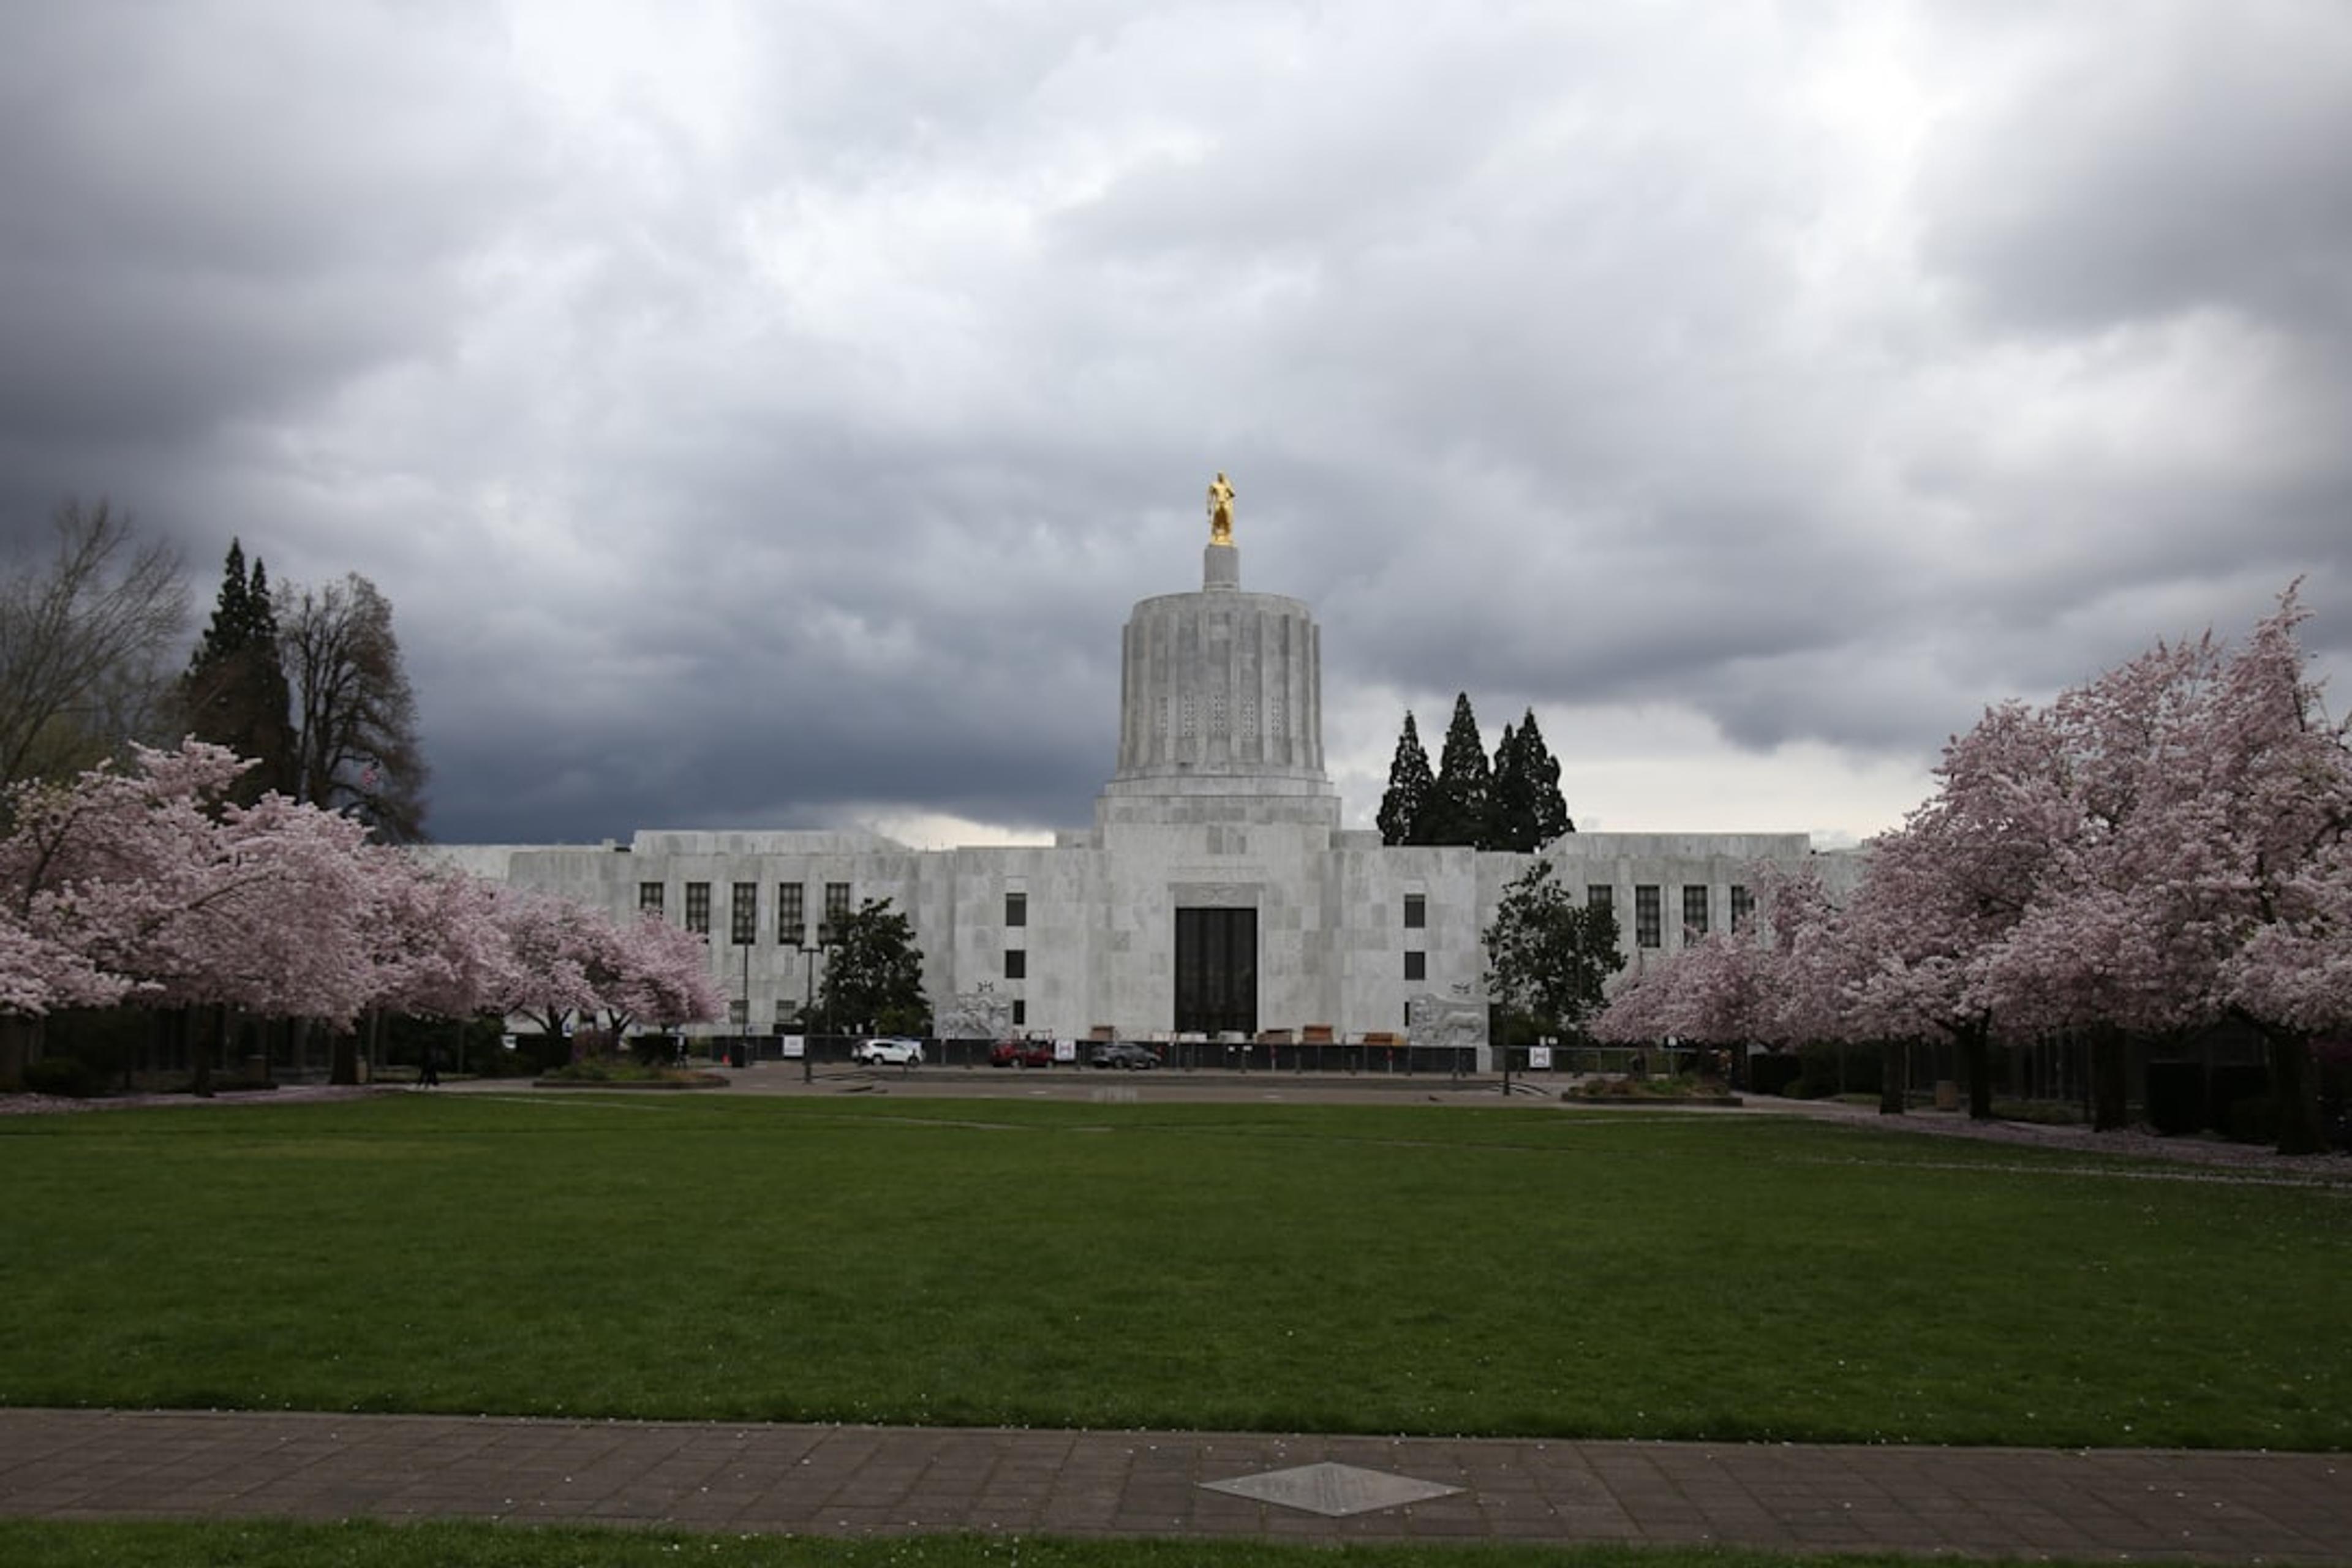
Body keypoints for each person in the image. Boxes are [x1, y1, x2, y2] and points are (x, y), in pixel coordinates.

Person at [1207, 471, 1235, 545]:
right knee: (1215, 519)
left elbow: (1233, 494)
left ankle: (1228, 536)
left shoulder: (1226, 485)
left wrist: (1228, 486)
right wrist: (1209, 507)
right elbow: (1210, 497)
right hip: (1218, 503)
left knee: (1227, 518)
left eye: (1222, 475)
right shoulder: (1214, 485)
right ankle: (1214, 536)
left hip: (1225, 503)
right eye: (1219, 475)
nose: (1221, 477)